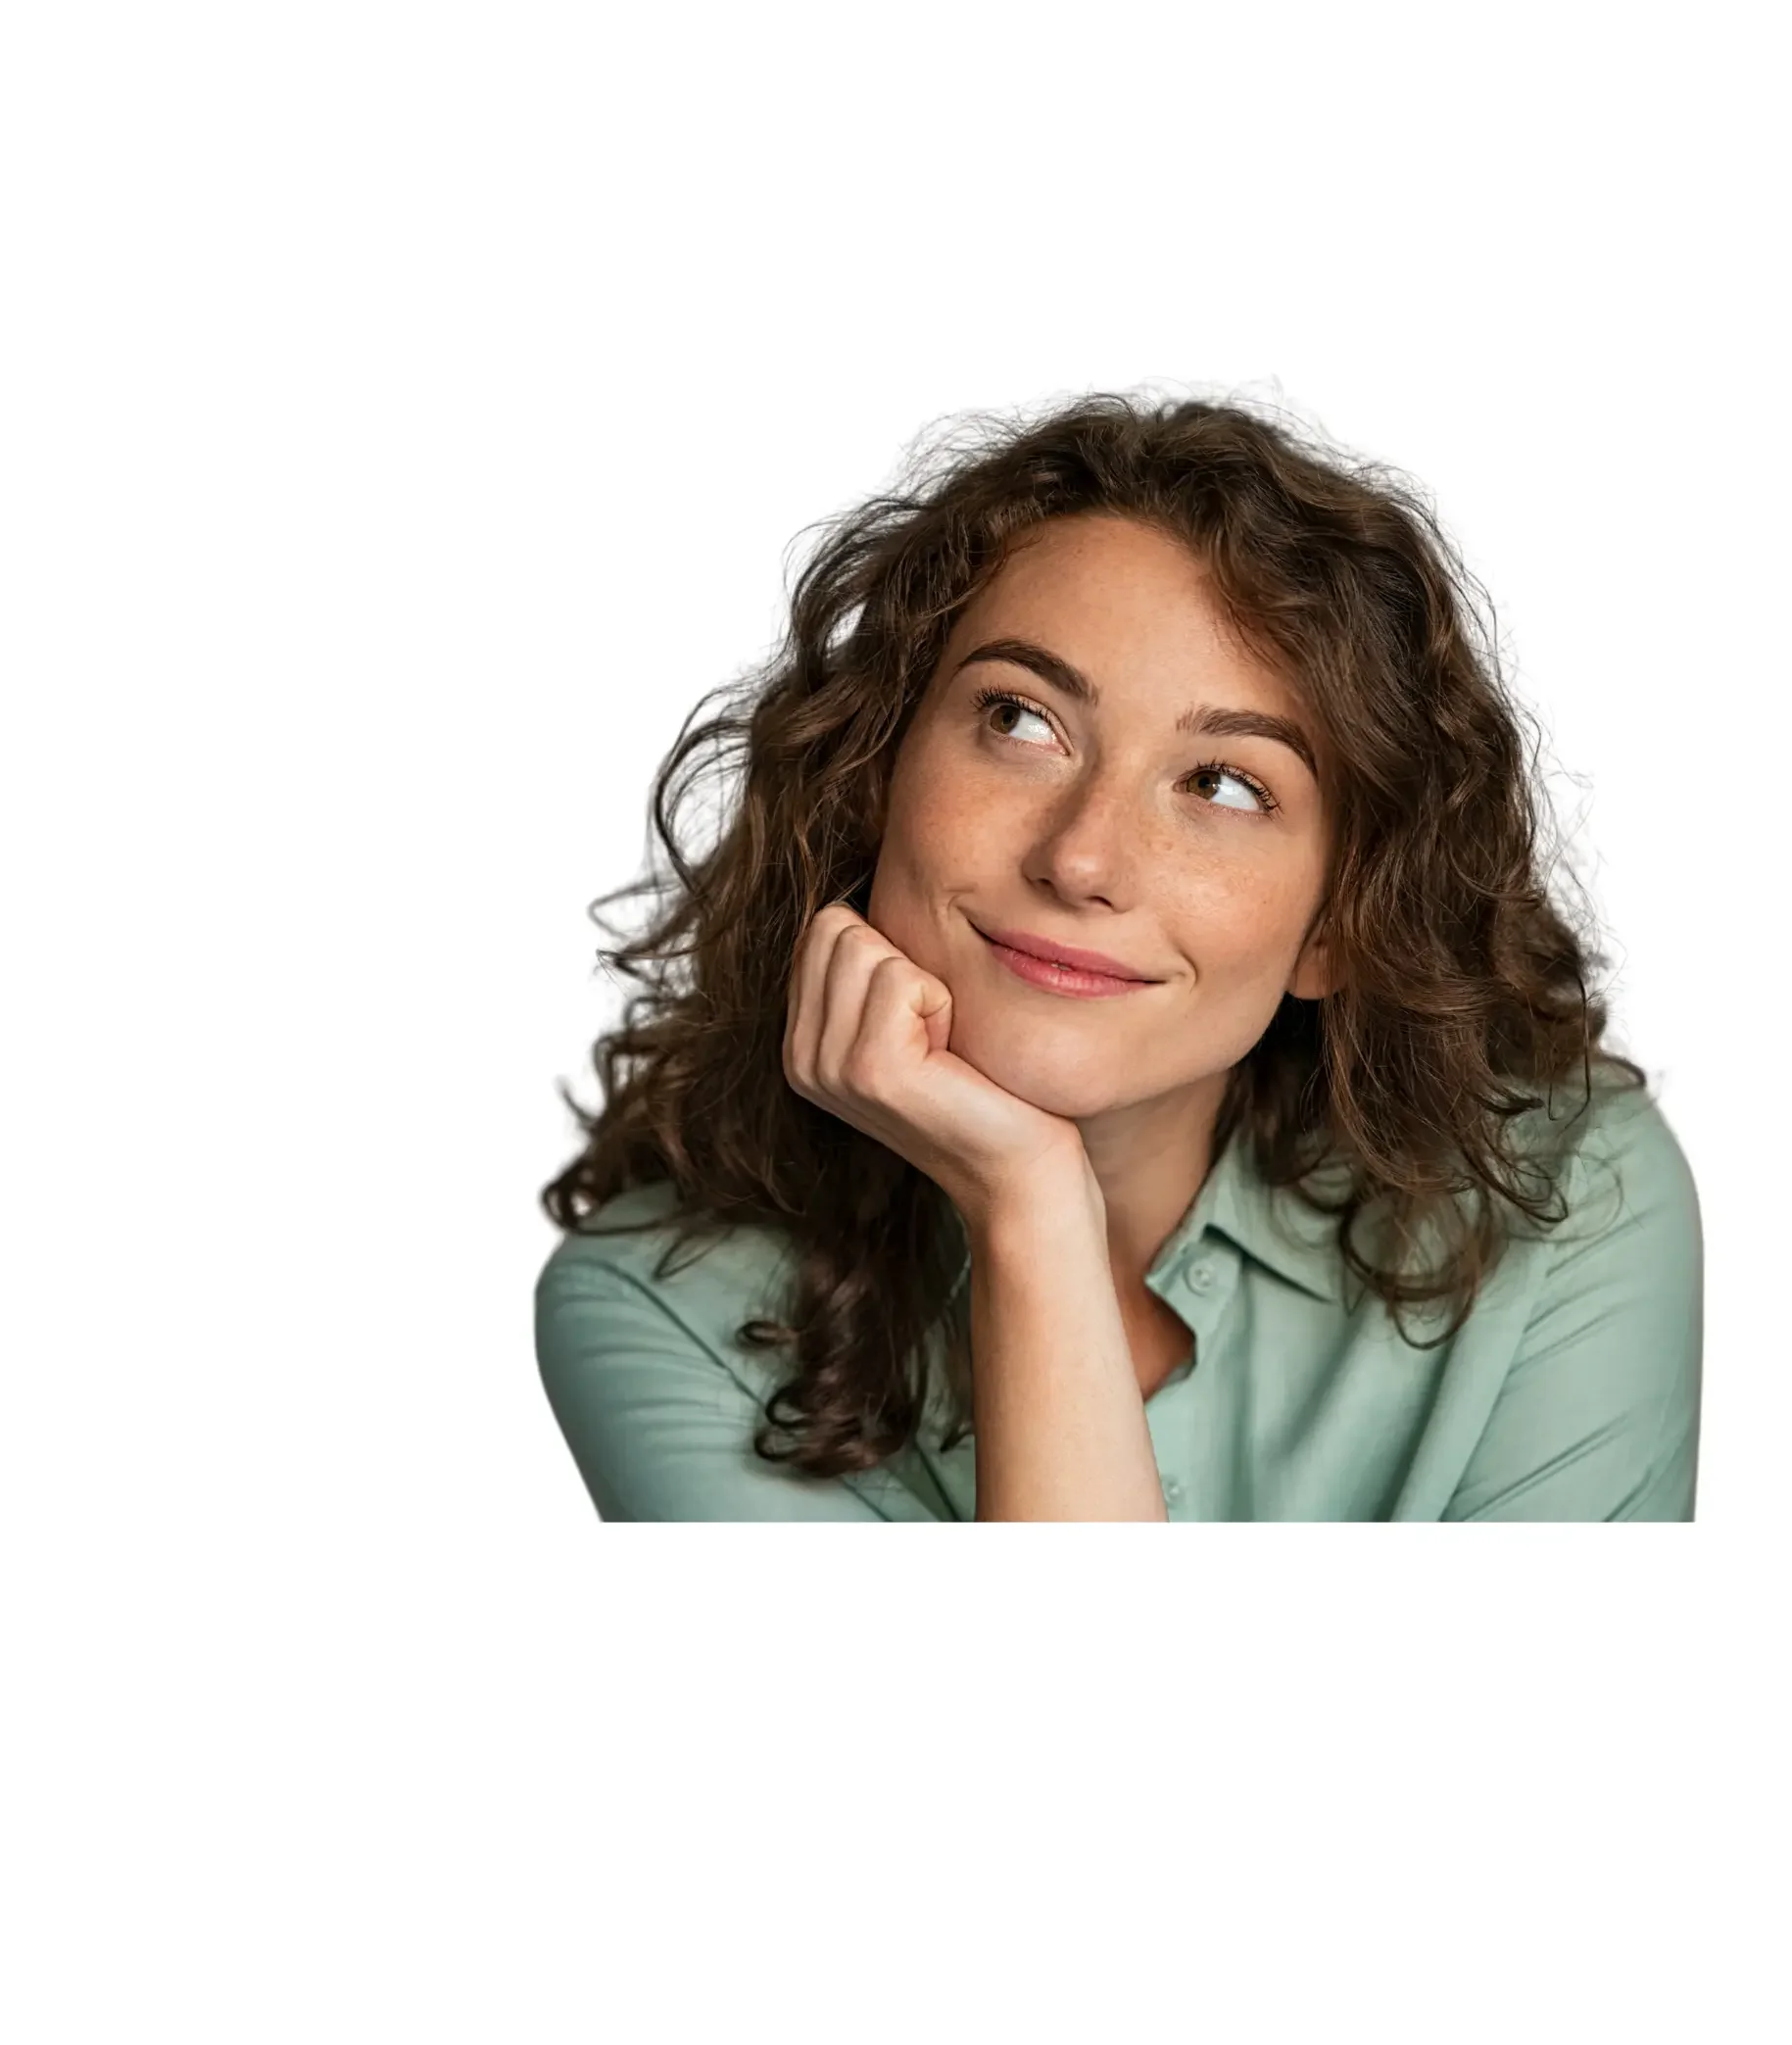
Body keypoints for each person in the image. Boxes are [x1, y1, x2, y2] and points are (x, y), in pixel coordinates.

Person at [531, 392, 1703, 1521]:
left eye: (1225, 785)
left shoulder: (1573, 1205)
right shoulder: (656, 1305)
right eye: (1020, 721)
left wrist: (1027, 1203)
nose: (1083, 860)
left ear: (1340, 926)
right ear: (870, 772)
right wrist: (1030, 1207)